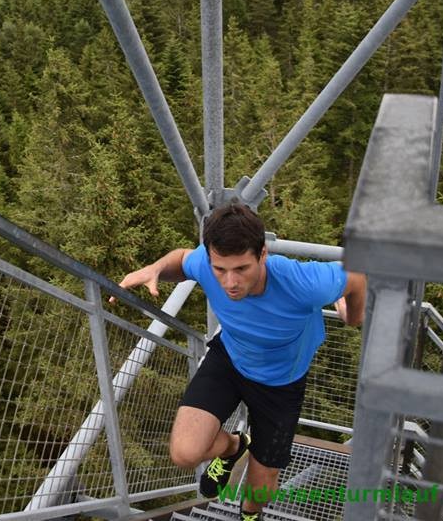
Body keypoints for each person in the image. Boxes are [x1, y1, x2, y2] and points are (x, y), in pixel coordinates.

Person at [115, 203, 366, 521]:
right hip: (230, 359)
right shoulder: (207, 264)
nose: (230, 282)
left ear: (263, 254)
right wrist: (156, 269)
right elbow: (182, 258)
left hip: (281, 381)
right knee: (184, 453)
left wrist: (353, 318)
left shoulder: (303, 282)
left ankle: (249, 516)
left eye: (241, 269)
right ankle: (234, 447)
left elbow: (356, 277)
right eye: (220, 269)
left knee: (261, 489)